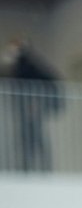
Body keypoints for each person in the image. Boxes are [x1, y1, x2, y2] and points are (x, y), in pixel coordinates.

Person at [2, 36, 60, 173]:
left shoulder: (29, 65)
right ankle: (29, 167)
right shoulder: (21, 65)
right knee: (28, 138)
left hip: (32, 108)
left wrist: (36, 103)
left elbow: (45, 81)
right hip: (26, 108)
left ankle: (40, 168)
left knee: (34, 138)